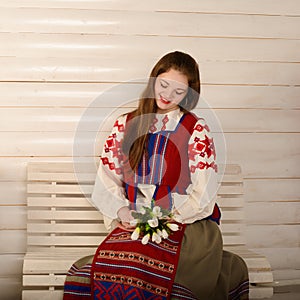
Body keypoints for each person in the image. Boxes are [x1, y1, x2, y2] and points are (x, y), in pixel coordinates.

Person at [63, 51, 249, 299]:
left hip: (187, 225)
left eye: (179, 91)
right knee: (111, 267)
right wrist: (122, 211)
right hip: (135, 224)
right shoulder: (125, 125)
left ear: (188, 94)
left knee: (148, 267)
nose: (167, 95)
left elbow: (204, 193)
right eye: (164, 85)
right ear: (154, 80)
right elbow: (107, 180)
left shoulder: (196, 130)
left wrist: (167, 218)